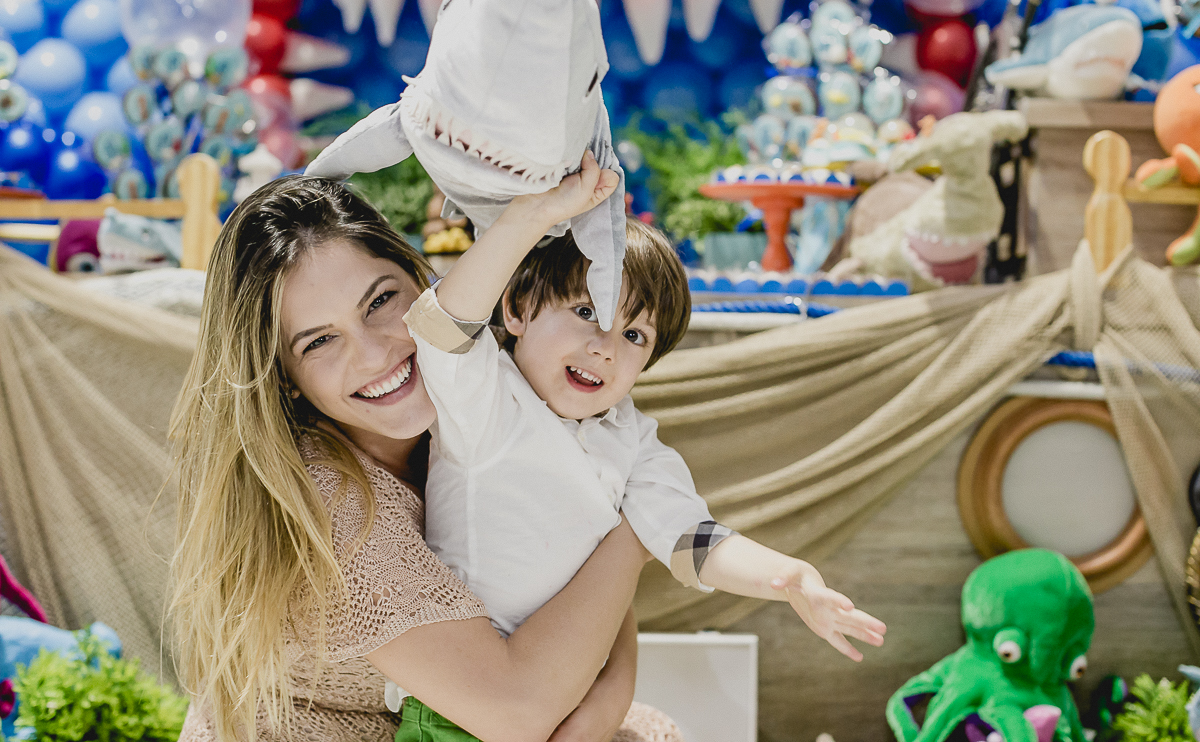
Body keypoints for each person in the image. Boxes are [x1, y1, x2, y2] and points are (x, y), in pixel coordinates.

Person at [168, 170, 675, 742]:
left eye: (381, 301)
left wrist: (608, 704)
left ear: (421, 281)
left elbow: (580, 561)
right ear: (284, 377)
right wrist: (637, 533)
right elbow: (517, 711)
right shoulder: (332, 502)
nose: (374, 354)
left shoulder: (493, 394)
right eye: (319, 341)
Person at [396, 151, 888, 737]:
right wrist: (532, 217)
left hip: (569, 694)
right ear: (519, 308)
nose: (605, 346)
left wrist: (788, 577)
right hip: (465, 705)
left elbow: (689, 537)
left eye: (634, 334)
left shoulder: (629, 436)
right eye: (586, 310)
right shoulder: (487, 398)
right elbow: (441, 325)